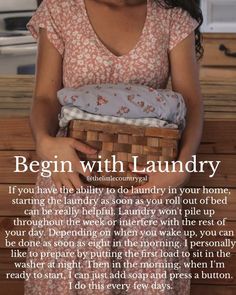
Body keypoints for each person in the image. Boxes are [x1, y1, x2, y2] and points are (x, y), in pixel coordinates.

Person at [25, 0, 204, 294]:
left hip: (148, 186)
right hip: (74, 181)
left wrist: (182, 169)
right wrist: (46, 145)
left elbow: (192, 103)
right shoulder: (60, 10)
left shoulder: (172, 16)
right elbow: (45, 97)